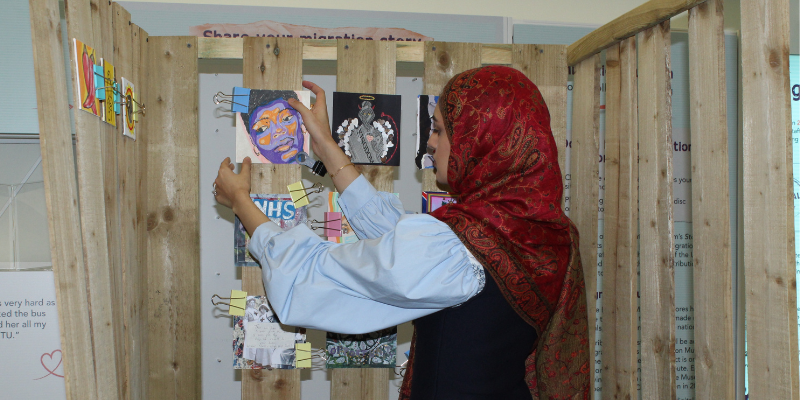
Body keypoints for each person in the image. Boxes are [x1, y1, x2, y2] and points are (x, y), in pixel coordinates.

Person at [213, 65, 589, 399]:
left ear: (484, 140)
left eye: (441, 131)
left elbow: (307, 279)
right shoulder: (545, 232)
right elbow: (399, 233)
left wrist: (241, 202)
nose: (430, 142)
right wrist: (326, 145)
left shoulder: (458, 248)